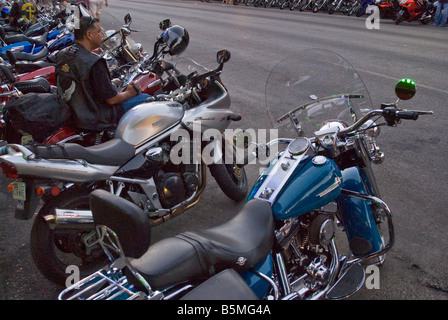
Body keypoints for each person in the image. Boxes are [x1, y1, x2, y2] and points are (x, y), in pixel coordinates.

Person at [56, 16, 149, 132]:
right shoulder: (94, 63)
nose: (101, 35)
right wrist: (130, 93)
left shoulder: (62, 54)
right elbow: (112, 99)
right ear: (89, 35)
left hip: (73, 113)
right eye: (99, 32)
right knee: (146, 99)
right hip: (95, 117)